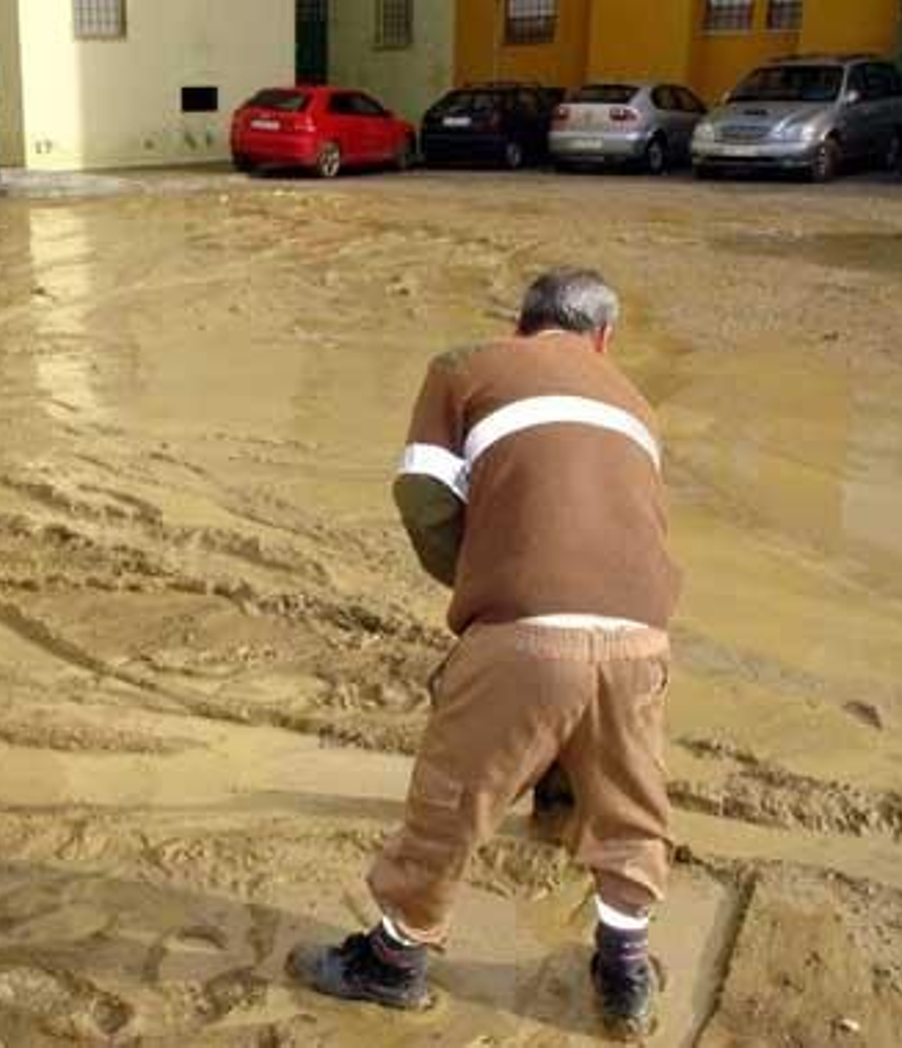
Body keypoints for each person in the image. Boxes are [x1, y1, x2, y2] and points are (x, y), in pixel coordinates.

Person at [288, 269, 682, 1040]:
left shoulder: (465, 365)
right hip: (643, 636)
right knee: (633, 808)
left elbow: (425, 496)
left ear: (521, 323)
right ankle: (625, 967)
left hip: (526, 635)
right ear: (603, 339)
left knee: (453, 799)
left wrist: (480, 576)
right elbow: (630, 524)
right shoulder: (637, 402)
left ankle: (393, 964)